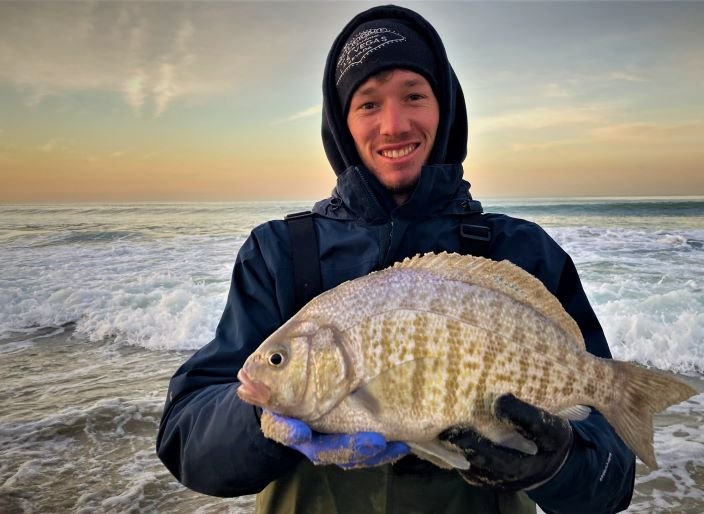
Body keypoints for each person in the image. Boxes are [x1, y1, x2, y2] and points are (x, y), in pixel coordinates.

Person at [157, 5, 636, 513]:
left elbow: (611, 484)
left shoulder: (522, 252)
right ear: (341, 122)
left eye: (414, 96)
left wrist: (558, 464)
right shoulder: (277, 253)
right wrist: (259, 423)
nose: (394, 124)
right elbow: (185, 442)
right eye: (368, 104)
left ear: (444, 108)